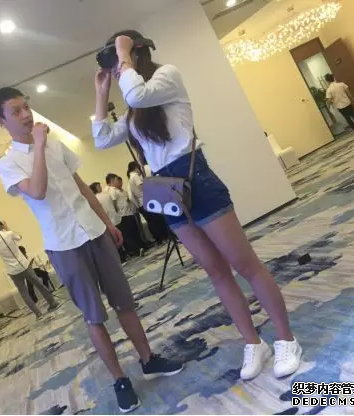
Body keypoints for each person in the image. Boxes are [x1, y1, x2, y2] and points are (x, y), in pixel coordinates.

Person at [92, 30, 302, 381]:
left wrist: (123, 53)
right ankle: (253, 343)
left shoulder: (166, 77)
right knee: (216, 272)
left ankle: (286, 339)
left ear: (136, 51)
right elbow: (101, 139)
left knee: (245, 264)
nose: (118, 67)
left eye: (121, 57)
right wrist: (101, 93)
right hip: (167, 190)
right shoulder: (132, 112)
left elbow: (138, 93)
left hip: (195, 177)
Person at [0, 87, 183, 413]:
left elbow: (80, 187)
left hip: (94, 232)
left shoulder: (55, 145)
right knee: (94, 316)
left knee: (125, 303)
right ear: (1, 121)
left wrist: (106, 222)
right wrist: (38, 146)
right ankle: (120, 379)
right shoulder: (8, 164)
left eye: (26, 107)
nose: (26, 115)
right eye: (16, 111)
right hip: (63, 244)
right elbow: (37, 191)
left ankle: (148, 360)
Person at [0, 219, 58, 319]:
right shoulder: (9, 233)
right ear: (1, 226)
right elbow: (19, 237)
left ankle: (38, 314)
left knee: (24, 294)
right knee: (39, 284)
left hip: (12, 271)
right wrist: (7, 229)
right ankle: (52, 302)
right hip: (24, 265)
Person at [127, 161, 168, 244]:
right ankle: (164, 236)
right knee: (157, 219)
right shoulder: (135, 176)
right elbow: (142, 186)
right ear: (136, 168)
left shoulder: (130, 178)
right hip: (146, 200)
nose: (140, 171)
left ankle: (159, 239)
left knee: (151, 221)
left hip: (141, 203)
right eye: (139, 168)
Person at [106, 173, 147, 257]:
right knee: (128, 234)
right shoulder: (113, 191)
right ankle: (137, 249)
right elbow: (114, 204)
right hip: (123, 215)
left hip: (129, 213)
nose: (118, 181)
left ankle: (140, 247)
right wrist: (117, 212)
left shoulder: (120, 190)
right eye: (116, 180)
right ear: (112, 181)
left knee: (134, 231)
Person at [90, 182, 127, 263]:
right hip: (113, 218)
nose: (100, 187)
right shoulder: (104, 196)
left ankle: (121, 257)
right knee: (119, 236)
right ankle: (126, 253)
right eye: (99, 186)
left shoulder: (98, 198)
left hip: (108, 220)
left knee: (114, 240)